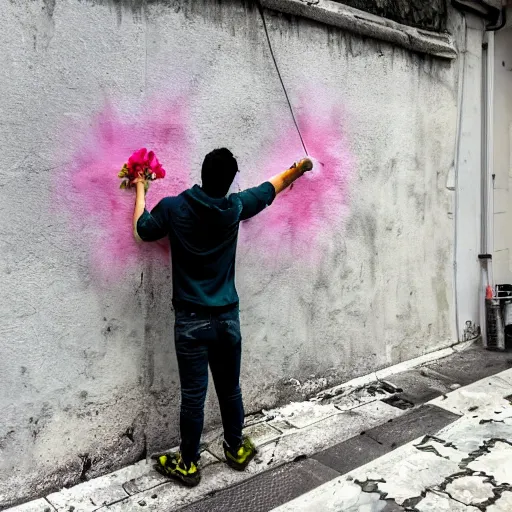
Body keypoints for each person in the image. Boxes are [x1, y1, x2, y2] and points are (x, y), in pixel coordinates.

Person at [132, 148, 313, 486]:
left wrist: (141, 186)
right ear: (229, 183)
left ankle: (188, 464)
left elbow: (143, 230)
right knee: (230, 390)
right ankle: (235, 448)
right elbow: (270, 188)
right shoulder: (234, 208)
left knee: (193, 397)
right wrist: (298, 169)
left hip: (191, 320)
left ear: (201, 173)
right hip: (228, 319)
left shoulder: (174, 207)